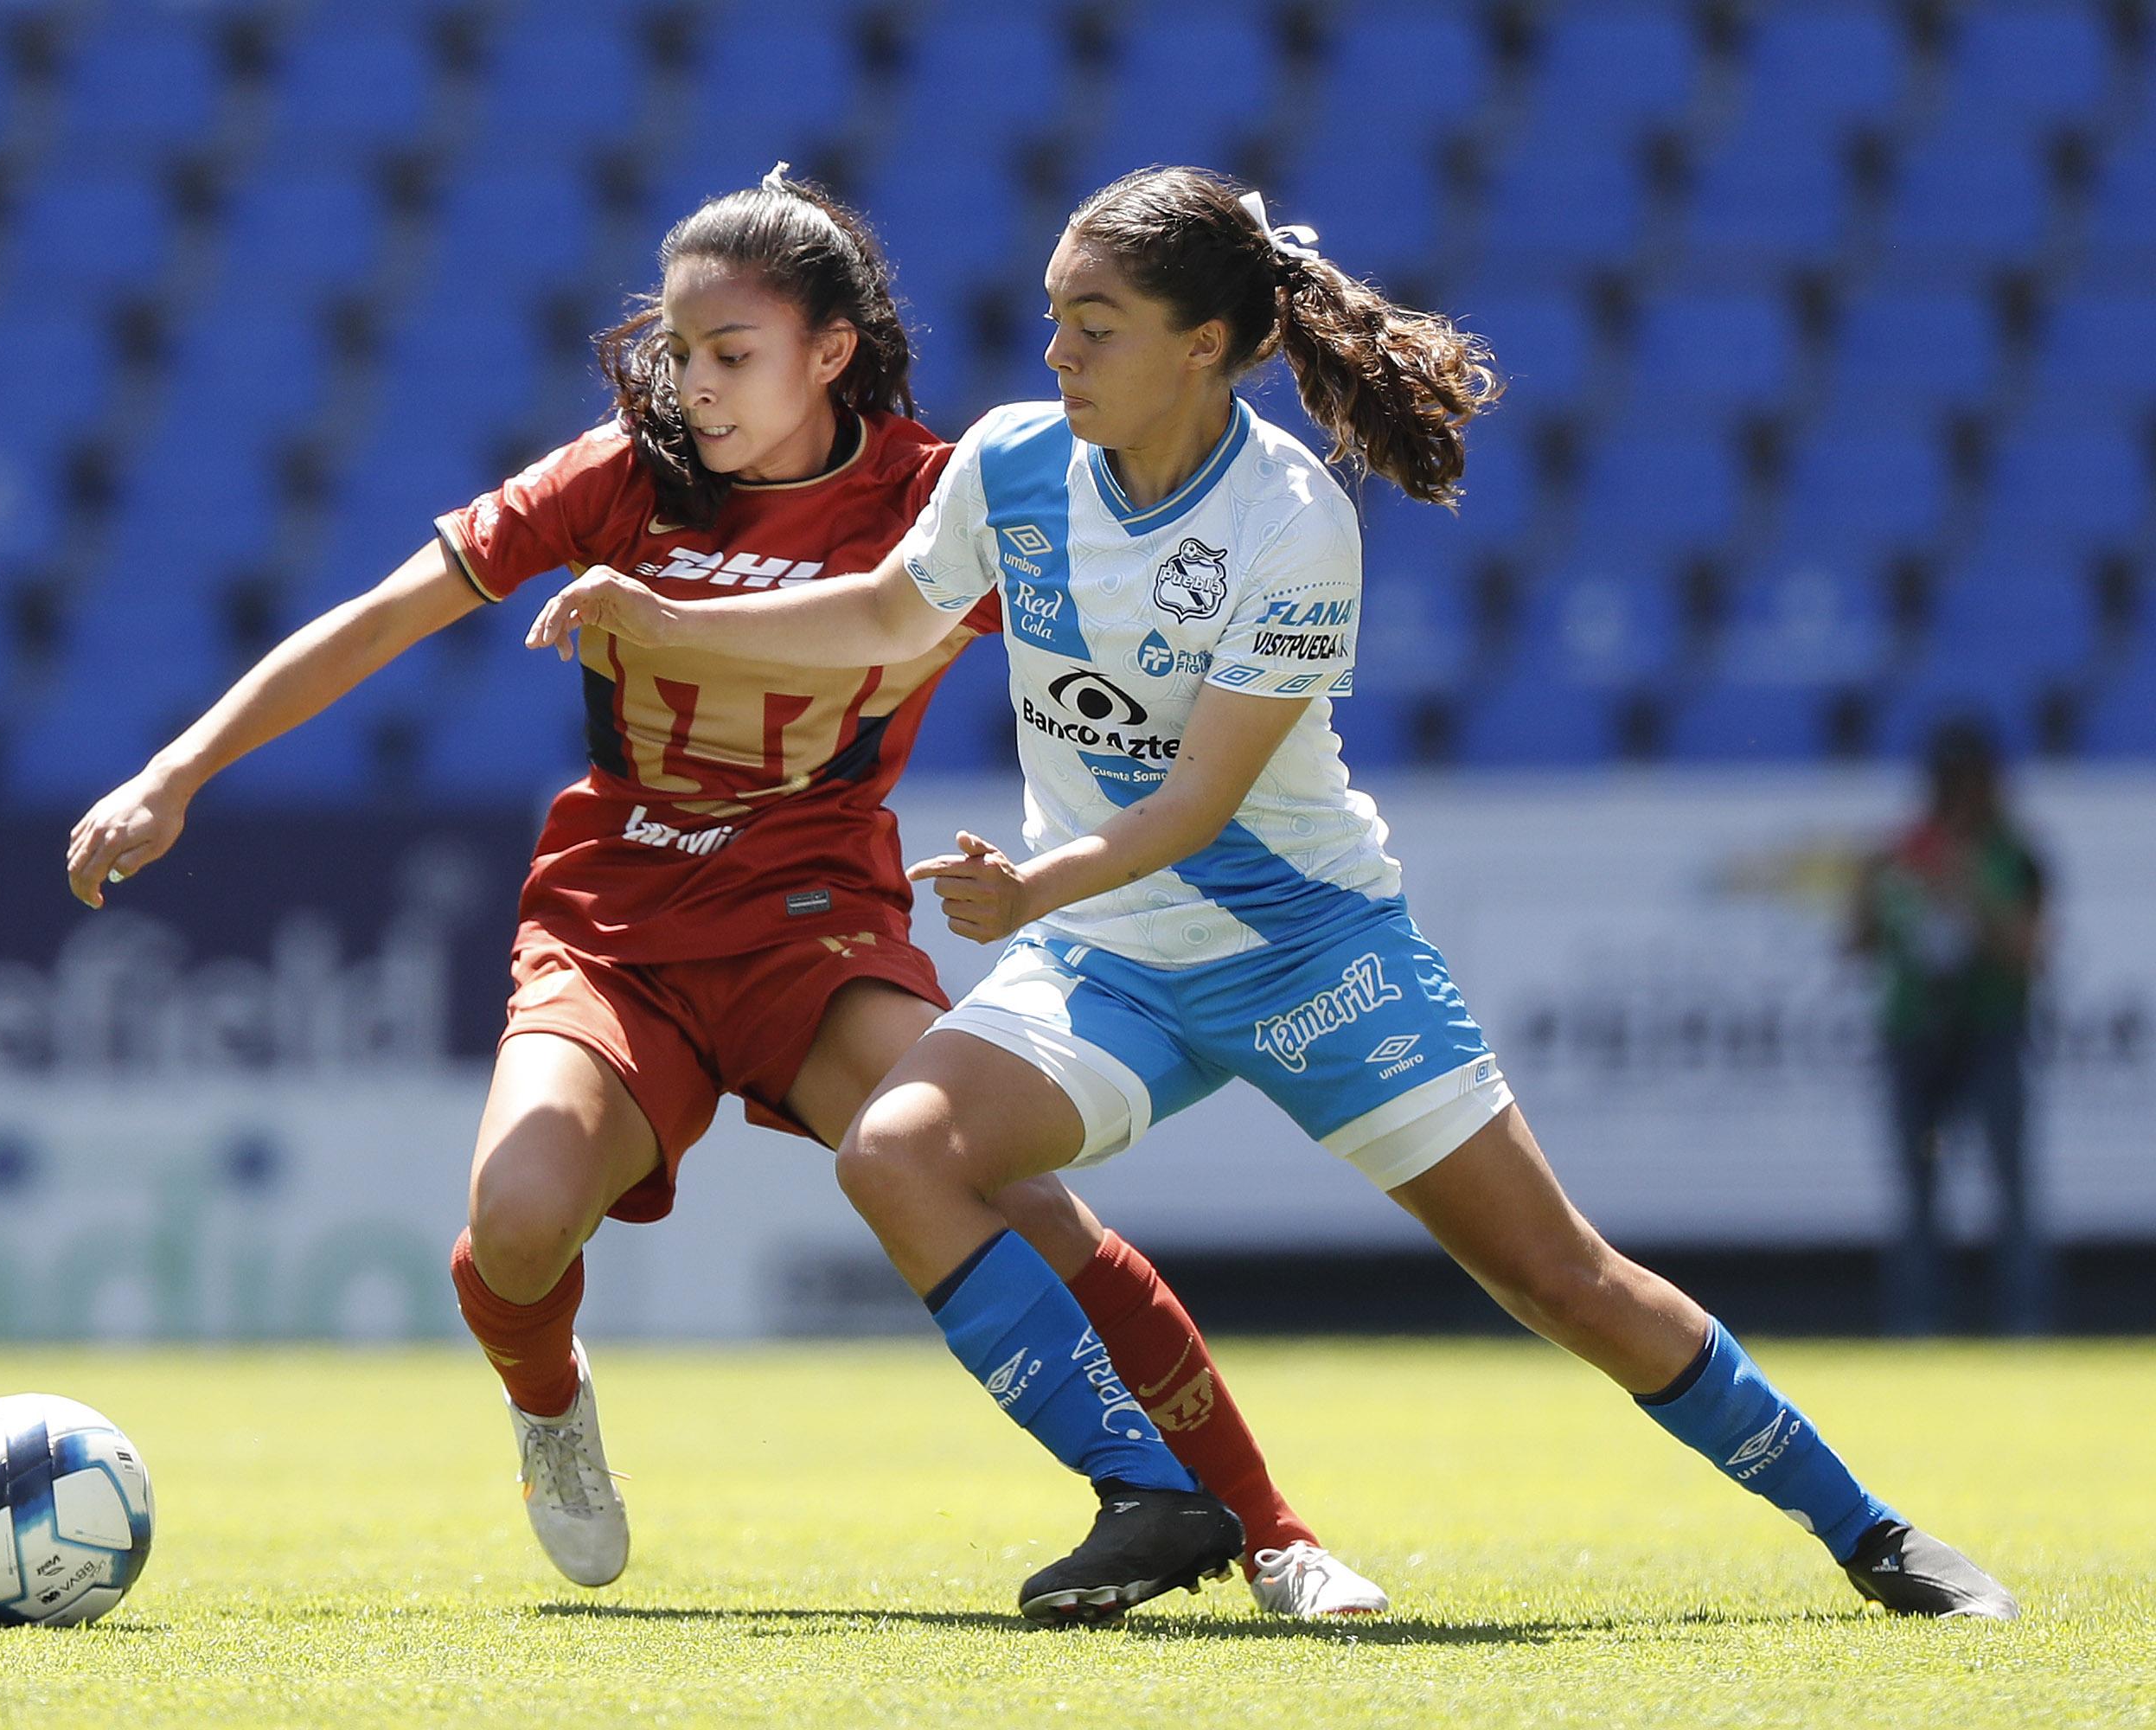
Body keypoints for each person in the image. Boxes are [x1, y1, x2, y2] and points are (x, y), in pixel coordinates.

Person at [529, 165, 2019, 1625]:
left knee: (1563, 1282)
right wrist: (668, 617)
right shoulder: (1009, 462)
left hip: (1311, 956)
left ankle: (1873, 1536)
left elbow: (1199, 802)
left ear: (1206, 346)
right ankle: (1154, 1497)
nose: (1055, 352)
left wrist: (1035, 884)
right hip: (1115, 957)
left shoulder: (1291, 515)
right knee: (900, 1155)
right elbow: (882, 616)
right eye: (1053, 316)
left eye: (1094, 323)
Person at [67, 168, 1382, 1617]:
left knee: (1011, 1192)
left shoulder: (948, 497)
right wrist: (175, 773)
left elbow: (1139, 652)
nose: (692, 383)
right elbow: (386, 614)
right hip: (616, 919)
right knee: (515, 1221)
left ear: (830, 353)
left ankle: (1263, 1530)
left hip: (813, 917)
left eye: (731, 354)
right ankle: (550, 1407)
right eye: (679, 352)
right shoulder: (615, 480)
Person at [1850, 718, 2051, 1336]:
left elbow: (2027, 953)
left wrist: (1964, 885)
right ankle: (1918, 1323)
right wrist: (1878, 885)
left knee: (2010, 1185)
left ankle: (2026, 1322)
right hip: (1917, 1033)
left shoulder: (2014, 855)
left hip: (1990, 1029)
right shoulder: (1900, 853)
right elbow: (1859, 942)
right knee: (1916, 1192)